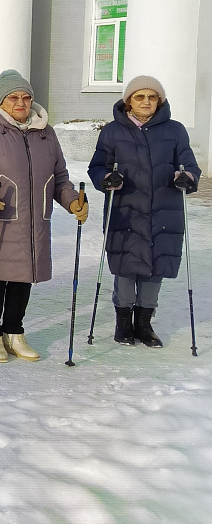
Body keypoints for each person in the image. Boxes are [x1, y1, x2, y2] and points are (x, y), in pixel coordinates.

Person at [0, 69, 87, 363]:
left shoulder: (45, 133)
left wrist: (72, 202)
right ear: (0, 100)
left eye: (26, 97)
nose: (20, 103)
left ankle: (14, 332)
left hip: (34, 220)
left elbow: (59, 177)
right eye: (13, 97)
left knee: (23, 277)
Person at [88, 75, 200, 347]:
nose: (146, 101)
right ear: (129, 101)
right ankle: (123, 324)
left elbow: (189, 164)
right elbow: (98, 166)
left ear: (159, 101)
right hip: (125, 209)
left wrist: (186, 178)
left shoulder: (175, 130)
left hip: (164, 210)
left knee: (156, 266)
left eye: (152, 97)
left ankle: (144, 325)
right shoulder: (112, 131)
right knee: (126, 267)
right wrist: (107, 179)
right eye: (140, 96)